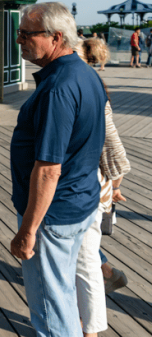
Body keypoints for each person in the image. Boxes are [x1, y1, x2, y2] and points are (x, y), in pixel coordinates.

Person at [10, 2, 107, 337]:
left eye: (26, 34)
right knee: (63, 293)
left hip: (54, 214)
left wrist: (27, 230)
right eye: (18, 33)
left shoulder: (58, 88)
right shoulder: (85, 74)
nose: (19, 40)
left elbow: (49, 169)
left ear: (56, 37)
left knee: (51, 309)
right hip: (80, 202)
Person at [75, 38, 131, 337]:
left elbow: (115, 152)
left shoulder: (85, 87)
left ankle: (90, 329)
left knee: (83, 261)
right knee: (86, 253)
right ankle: (108, 272)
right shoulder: (95, 84)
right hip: (98, 186)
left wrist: (112, 185)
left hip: (88, 187)